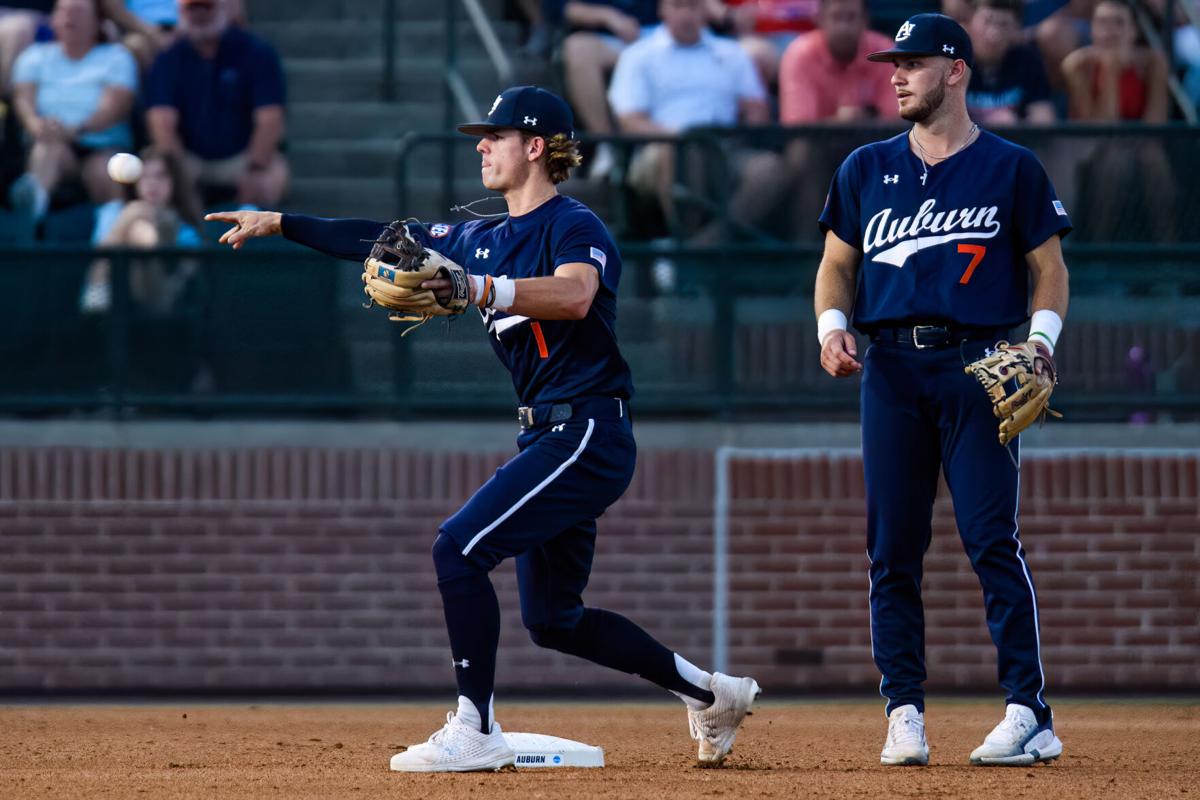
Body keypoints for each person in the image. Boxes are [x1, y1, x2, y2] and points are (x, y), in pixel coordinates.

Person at [205, 85, 762, 773]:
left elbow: (575, 294)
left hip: (587, 430)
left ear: (535, 147)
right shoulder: (483, 236)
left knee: (457, 549)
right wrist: (280, 222)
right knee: (555, 619)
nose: (480, 146)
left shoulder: (573, 223)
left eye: (494, 136)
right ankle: (711, 694)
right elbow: (382, 237)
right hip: (548, 434)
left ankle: (476, 726)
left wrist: (480, 288)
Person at [814, 14, 1069, 767]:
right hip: (890, 370)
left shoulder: (1012, 166)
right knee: (893, 548)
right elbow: (836, 264)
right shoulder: (865, 166)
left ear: (956, 71)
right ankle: (904, 709)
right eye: (895, 63)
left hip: (979, 366)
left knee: (991, 539)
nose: (896, 75)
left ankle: (1029, 709)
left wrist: (1041, 343)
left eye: (915, 63)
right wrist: (831, 326)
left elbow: (1049, 270)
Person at [609, 0, 788, 241]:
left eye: (693, 6)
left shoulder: (732, 53)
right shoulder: (637, 55)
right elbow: (630, 121)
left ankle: (704, 244)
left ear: (705, 10)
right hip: (661, 150)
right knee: (682, 152)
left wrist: (749, 122)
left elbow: (756, 109)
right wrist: (681, 138)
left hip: (724, 149)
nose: (686, 14)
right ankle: (685, 241)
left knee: (770, 169)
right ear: (662, 9)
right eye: (678, 6)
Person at [145, 0, 287, 210]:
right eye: (192, 8)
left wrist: (255, 167)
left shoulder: (257, 53)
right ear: (181, 12)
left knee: (274, 172)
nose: (200, 14)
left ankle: (252, 232)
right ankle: (183, 233)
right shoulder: (168, 58)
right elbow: (161, 122)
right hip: (189, 158)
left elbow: (270, 119)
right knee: (158, 171)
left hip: (240, 158)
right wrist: (177, 170)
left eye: (207, 6)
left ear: (225, 7)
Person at [8, 0, 135, 222]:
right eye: (63, 11)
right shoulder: (34, 56)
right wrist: (37, 125)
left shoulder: (117, 57)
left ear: (98, 22)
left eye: (78, 11)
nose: (69, 17)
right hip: (52, 142)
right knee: (47, 152)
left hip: (102, 148)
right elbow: (23, 100)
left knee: (106, 171)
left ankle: (110, 245)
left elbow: (114, 107)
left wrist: (76, 129)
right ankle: (29, 225)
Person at [560, 0, 659, 177]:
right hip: (612, 37)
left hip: (666, 34)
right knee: (578, 49)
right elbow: (562, 7)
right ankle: (608, 148)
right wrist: (609, 17)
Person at [966, 0, 1056, 124]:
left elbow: (1044, 120)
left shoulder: (1028, 61)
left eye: (1004, 25)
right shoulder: (955, 62)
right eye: (987, 21)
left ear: (1016, 30)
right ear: (970, 22)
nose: (994, 34)